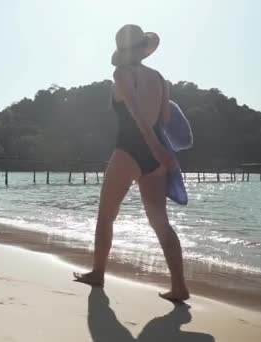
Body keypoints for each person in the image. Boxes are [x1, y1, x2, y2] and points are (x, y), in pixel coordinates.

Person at [73, 24, 189, 302]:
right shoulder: (160, 79)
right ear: (142, 49)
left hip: (130, 149)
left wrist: (153, 148)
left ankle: (98, 273)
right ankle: (179, 287)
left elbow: (137, 115)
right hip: (154, 156)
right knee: (160, 223)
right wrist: (160, 151)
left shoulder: (121, 73)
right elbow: (163, 120)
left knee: (106, 215)